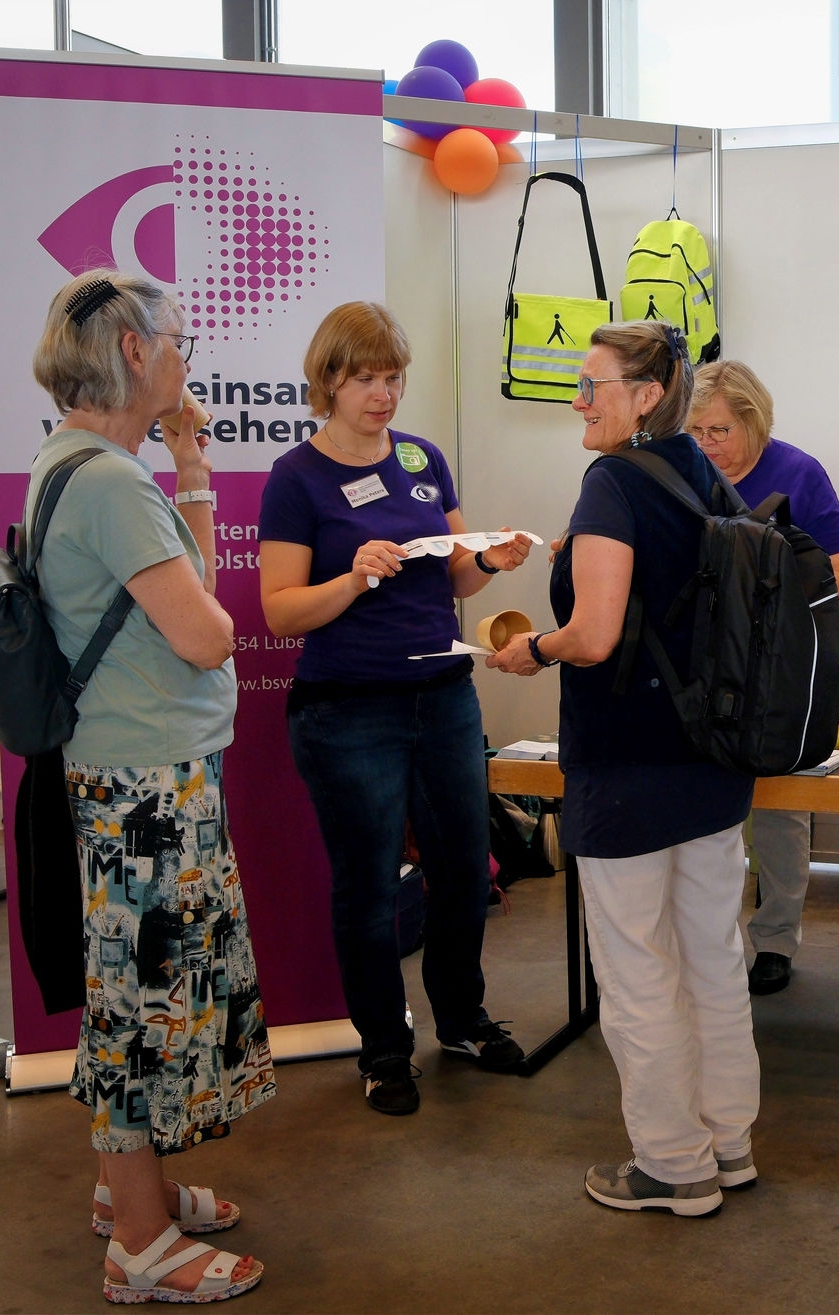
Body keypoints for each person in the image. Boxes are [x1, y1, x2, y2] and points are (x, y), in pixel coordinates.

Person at [30, 270, 270, 1302]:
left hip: (126, 778)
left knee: (132, 994)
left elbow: (189, 609)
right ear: (134, 352)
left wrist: (190, 468)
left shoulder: (84, 465)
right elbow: (209, 632)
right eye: (175, 340)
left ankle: (122, 1190)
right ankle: (141, 1243)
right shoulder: (109, 485)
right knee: (143, 1010)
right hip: (144, 796)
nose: (185, 356)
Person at [487, 320, 759, 1218]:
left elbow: (597, 636)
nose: (577, 401)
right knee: (712, 957)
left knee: (638, 966)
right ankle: (729, 1143)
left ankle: (672, 1163)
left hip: (627, 767)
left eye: (591, 384)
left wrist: (536, 646)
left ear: (644, 395)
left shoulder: (611, 481)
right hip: (710, 763)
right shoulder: (704, 470)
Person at [258, 303, 531, 1117]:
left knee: (460, 871)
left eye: (394, 377)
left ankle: (463, 1019)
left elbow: (454, 575)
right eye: (366, 378)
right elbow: (279, 612)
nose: (384, 394)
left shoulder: (423, 456)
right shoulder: (296, 477)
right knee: (371, 884)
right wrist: (352, 578)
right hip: (349, 711)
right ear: (329, 380)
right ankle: (383, 1049)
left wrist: (488, 556)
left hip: (444, 694)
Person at [687, 359, 839, 996]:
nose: (707, 445)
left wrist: (767, 602)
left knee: (782, 812)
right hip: (707, 665)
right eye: (697, 430)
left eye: (720, 431)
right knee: (709, 808)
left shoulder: (798, 472)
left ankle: (776, 941)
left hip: (780, 666)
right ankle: (710, 943)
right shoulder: (687, 470)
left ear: (755, 423)